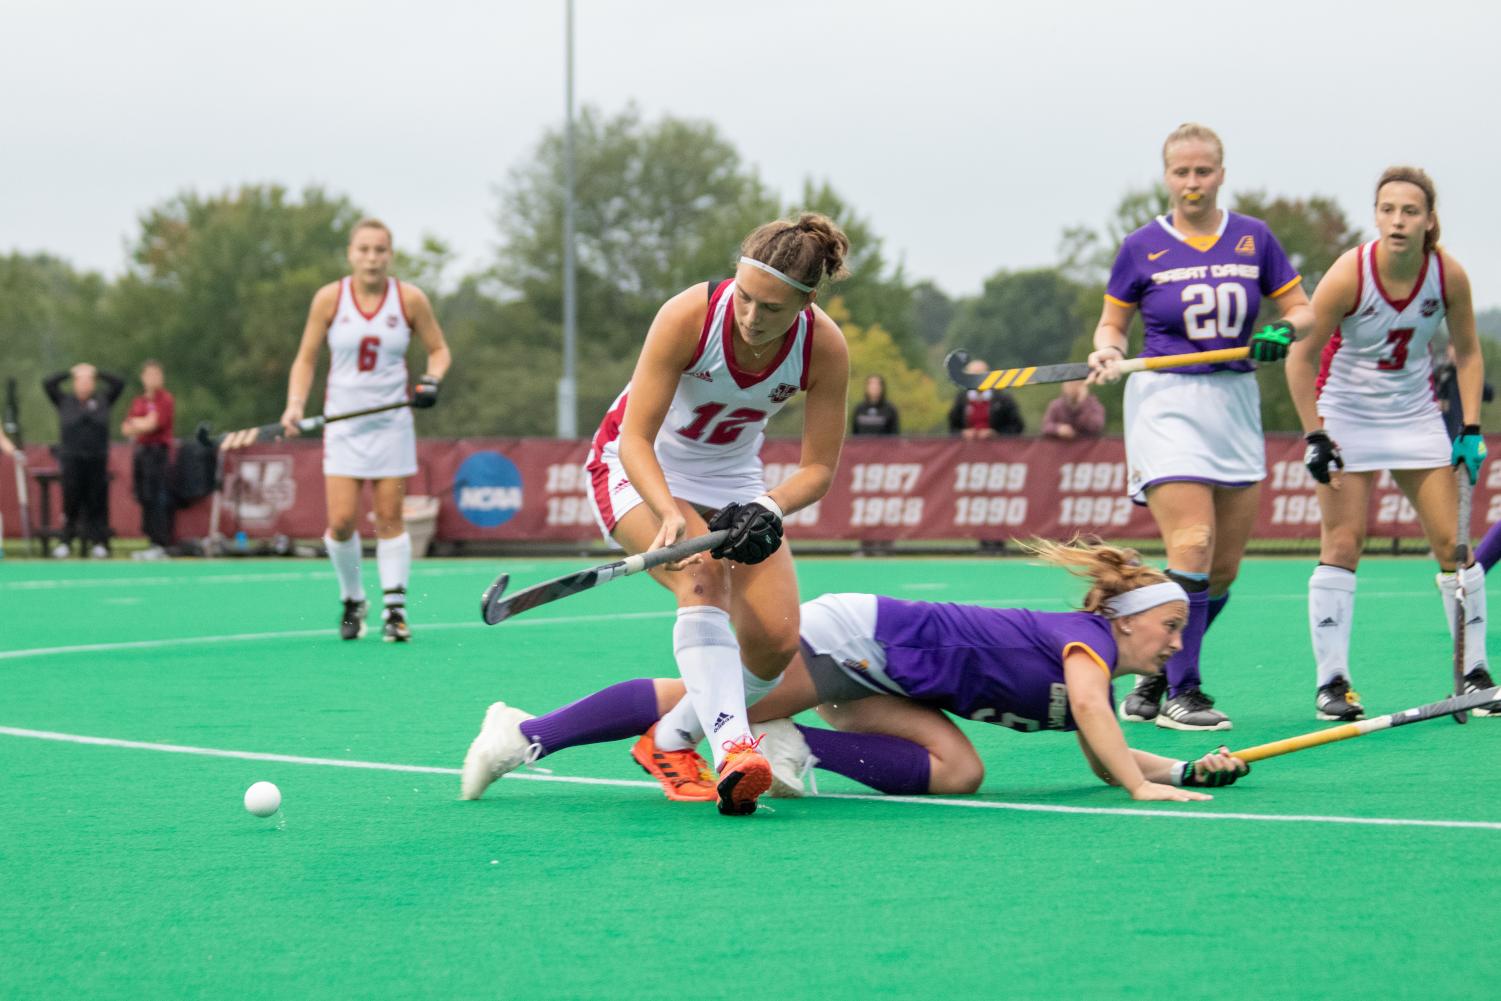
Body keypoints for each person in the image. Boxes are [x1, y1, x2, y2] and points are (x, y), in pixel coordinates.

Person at [466, 213, 852, 816]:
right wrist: (668, 513)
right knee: (702, 578)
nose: (752, 317)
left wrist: (767, 506)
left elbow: (819, 468)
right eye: (746, 298)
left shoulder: (823, 346)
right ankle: (733, 750)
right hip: (635, 467)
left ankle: (668, 741)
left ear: (804, 305)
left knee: (775, 642)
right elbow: (634, 439)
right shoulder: (688, 316)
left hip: (734, 483)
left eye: (772, 309)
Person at [459, 538, 1249, 804]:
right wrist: (1146, 785)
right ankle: (524, 733)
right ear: (1126, 616)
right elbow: (1096, 719)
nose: (1177, 644)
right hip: (861, 638)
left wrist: (1178, 765)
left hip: (889, 680)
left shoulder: (1102, 670)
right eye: (1171, 626)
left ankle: (788, 744)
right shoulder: (1091, 644)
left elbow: (1104, 756)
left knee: (959, 771)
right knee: (696, 698)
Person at [1087, 122, 1313, 731]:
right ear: (1166, 177)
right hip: (1167, 401)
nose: (1193, 183)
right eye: (1182, 172)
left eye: (1203, 171)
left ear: (1220, 173)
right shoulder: (1141, 246)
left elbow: (1301, 310)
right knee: (1192, 545)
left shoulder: (1253, 238)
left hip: (1235, 402)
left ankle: (1154, 671)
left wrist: (1282, 331)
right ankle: (1187, 694)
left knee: (1223, 571)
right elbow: (1112, 325)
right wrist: (1107, 349)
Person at [1286, 166, 1496, 718]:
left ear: (1429, 221)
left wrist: (1470, 428)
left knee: (1456, 546)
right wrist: (1316, 434)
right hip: (1347, 415)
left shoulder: (1446, 274)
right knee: (1343, 543)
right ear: (1376, 215)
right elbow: (1300, 355)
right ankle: (1333, 684)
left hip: (1416, 416)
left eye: (1409, 211)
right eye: (1387, 210)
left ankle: (1475, 675)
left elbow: (1468, 353)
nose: (1397, 221)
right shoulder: (1350, 273)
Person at [280, 218, 451, 642]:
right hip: (343, 425)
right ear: (351, 253)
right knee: (339, 523)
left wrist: (431, 380)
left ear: (390, 255)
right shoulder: (329, 299)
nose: (372, 258)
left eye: (380, 250)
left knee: (390, 519)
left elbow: (439, 350)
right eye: (364, 250)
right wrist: (295, 405)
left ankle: (395, 610)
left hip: (391, 424)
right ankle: (353, 597)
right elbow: (305, 359)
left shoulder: (409, 299)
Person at [43, 364, 125, 558]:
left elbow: (119, 383)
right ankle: (66, 541)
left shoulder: (103, 400)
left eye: (88, 381)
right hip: (71, 459)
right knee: (71, 501)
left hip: (97, 459)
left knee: (97, 501)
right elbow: (48, 383)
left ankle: (99, 542)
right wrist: (71, 371)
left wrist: (97, 371)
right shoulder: (65, 401)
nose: (84, 384)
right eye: (80, 381)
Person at [120, 360, 175, 560]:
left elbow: (153, 424)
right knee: (145, 497)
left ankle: (161, 542)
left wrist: (138, 423)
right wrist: (140, 423)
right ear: (143, 377)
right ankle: (151, 541)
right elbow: (126, 428)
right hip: (142, 452)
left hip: (157, 453)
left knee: (158, 496)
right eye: (149, 374)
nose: (153, 378)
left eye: (157, 374)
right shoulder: (139, 401)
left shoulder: (165, 399)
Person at [948, 359, 1024, 438]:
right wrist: (963, 434)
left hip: (998, 447)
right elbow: (953, 429)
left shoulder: (1003, 400)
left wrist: (995, 434)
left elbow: (1017, 427)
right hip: (968, 448)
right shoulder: (961, 400)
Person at [1041, 380, 1106, 440]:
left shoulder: (1094, 405)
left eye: (1075, 384)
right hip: (1062, 448)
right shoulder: (1056, 405)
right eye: (1068, 384)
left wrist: (1082, 404)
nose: (1071, 387)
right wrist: (1058, 429)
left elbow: (1096, 426)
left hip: (1088, 449)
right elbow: (1046, 427)